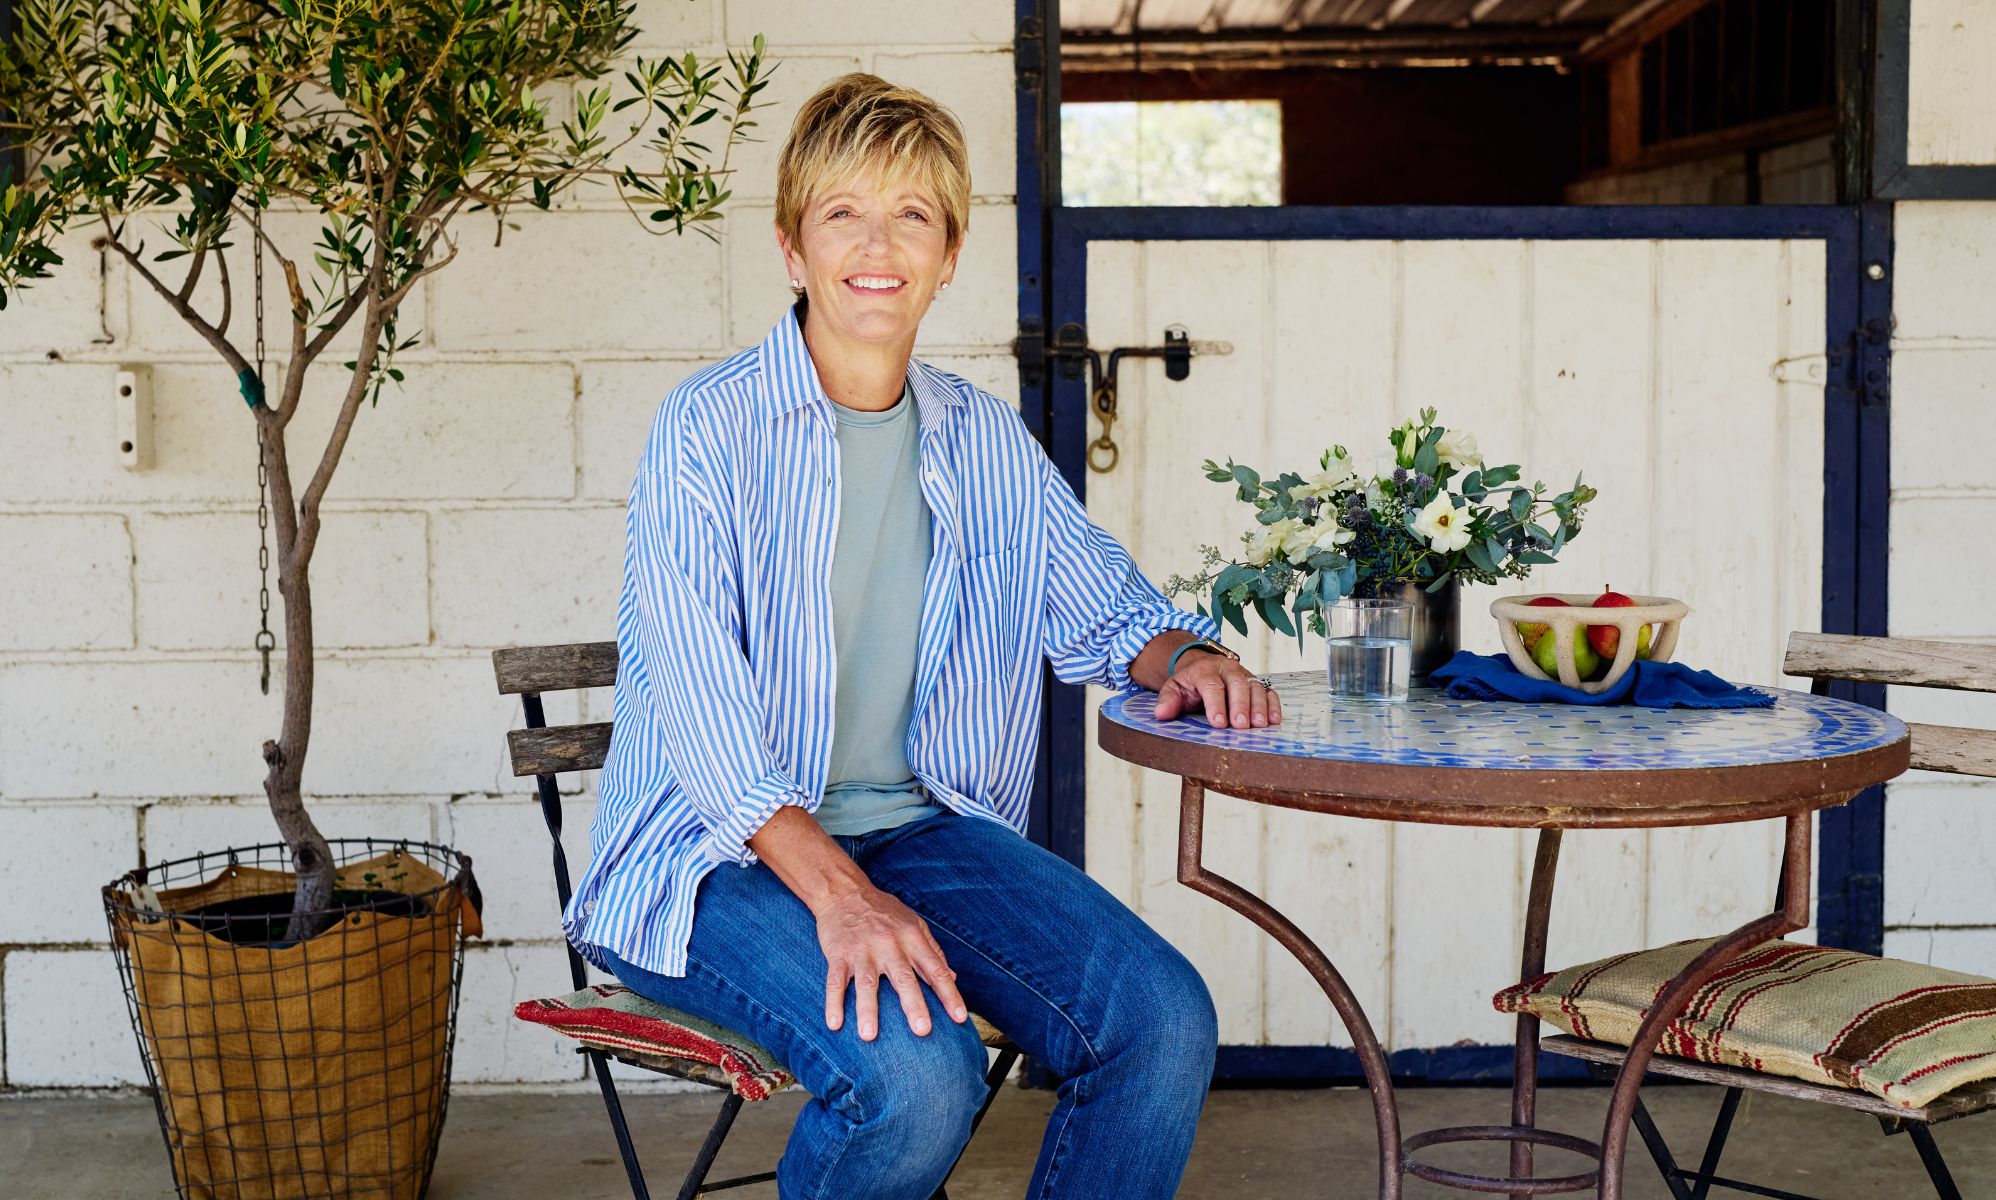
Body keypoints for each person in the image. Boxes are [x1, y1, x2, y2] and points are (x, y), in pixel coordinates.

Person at [565, 73, 1283, 1200]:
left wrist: (1188, 657)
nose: (877, 244)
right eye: (842, 212)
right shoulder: (708, 429)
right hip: (711, 860)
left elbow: (1101, 604)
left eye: (912, 214)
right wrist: (842, 900)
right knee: (918, 1077)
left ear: (948, 256)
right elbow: (702, 715)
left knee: (1161, 1018)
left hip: (917, 831)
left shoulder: (982, 439)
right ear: (792, 248)